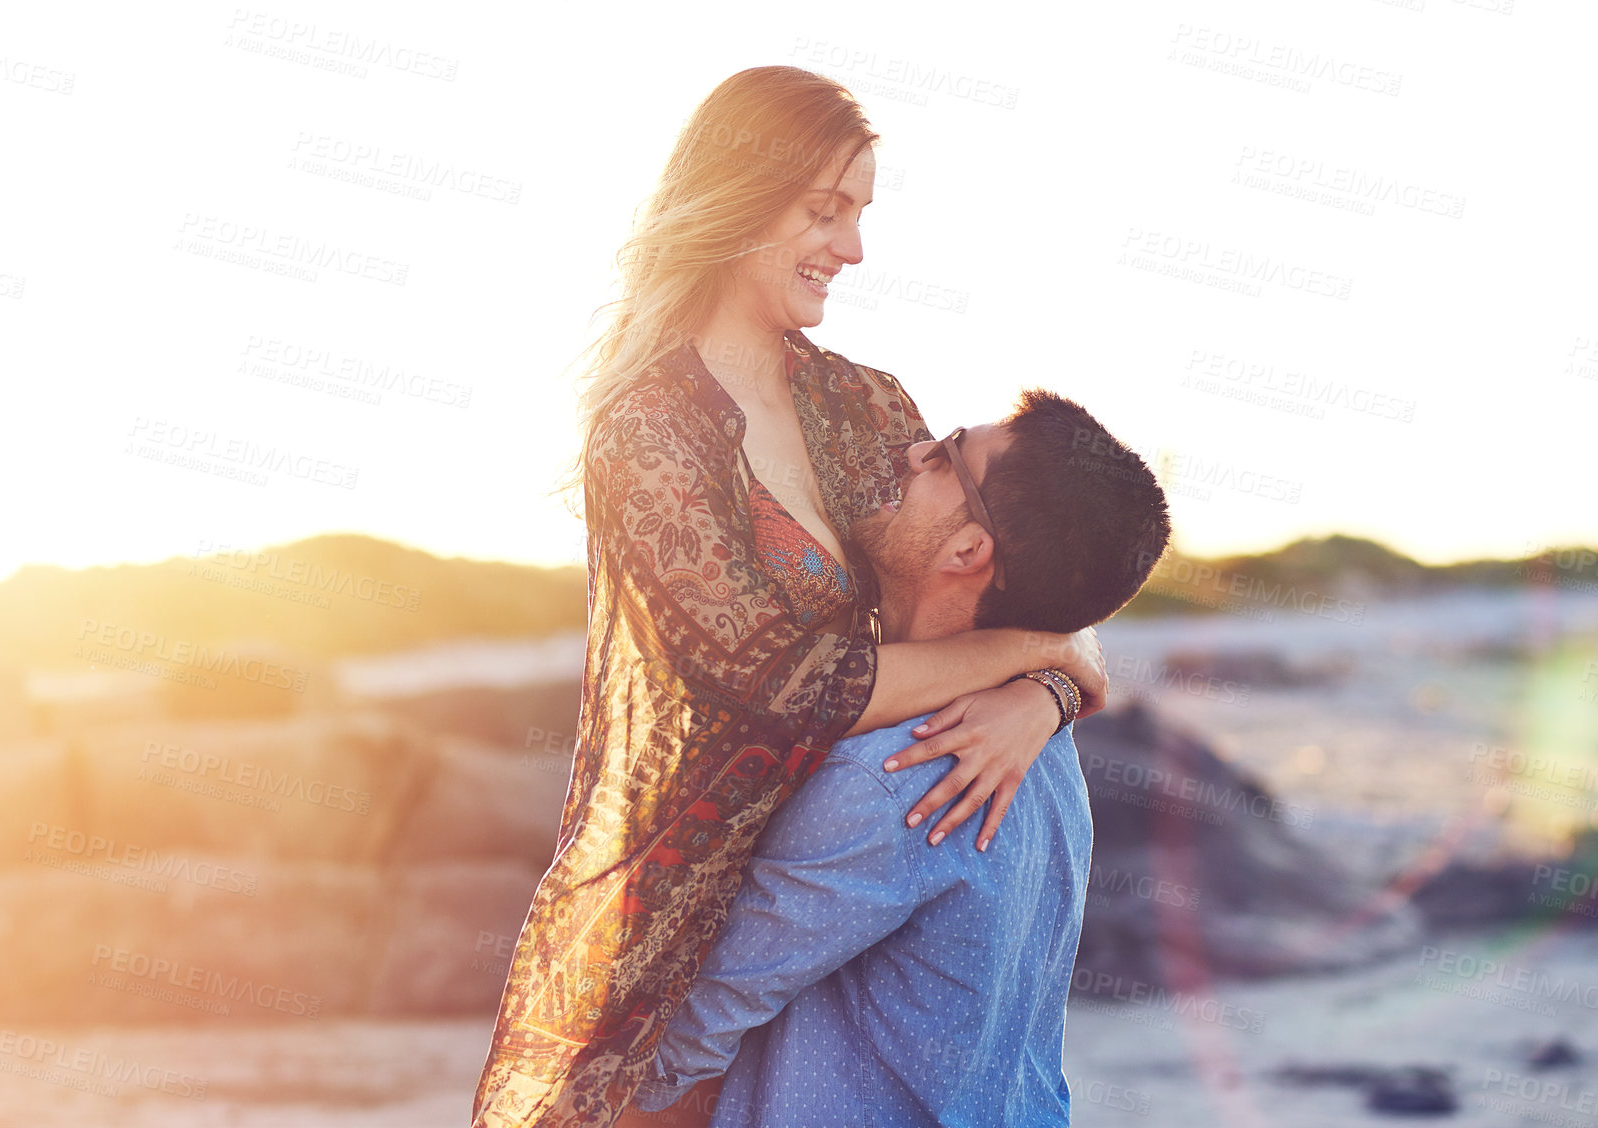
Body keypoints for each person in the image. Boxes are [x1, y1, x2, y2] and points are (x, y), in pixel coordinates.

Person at [473, 68, 1109, 1128]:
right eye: (824, 209)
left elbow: (1016, 569)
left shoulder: (856, 401)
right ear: (735, 197)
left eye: (859, 213)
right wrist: (1049, 663)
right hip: (696, 912)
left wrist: (1041, 689)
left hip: (859, 863)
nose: (850, 248)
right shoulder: (649, 434)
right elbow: (781, 688)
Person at [623, 391, 1172, 1127]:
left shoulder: (895, 770)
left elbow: (682, 1037)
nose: (911, 453)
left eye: (944, 456)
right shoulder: (1044, 742)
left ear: (969, 551)